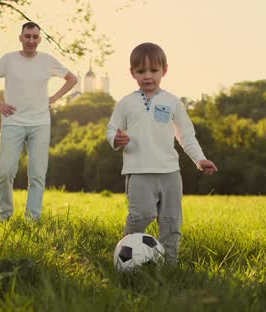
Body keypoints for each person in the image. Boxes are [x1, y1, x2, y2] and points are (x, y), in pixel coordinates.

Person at [106, 42, 218, 262]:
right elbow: (112, 129)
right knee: (141, 217)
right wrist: (115, 139)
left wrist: (200, 159)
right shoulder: (126, 103)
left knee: (171, 222)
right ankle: (127, 260)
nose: (148, 76)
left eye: (154, 70)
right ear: (132, 73)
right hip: (139, 172)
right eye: (141, 71)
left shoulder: (172, 102)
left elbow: (185, 135)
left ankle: (169, 266)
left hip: (170, 174)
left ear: (164, 70)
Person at [0, 22, 78, 222]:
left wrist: (53, 98)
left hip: (40, 123)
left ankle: (32, 219)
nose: (31, 41)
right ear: (21, 38)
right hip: (12, 122)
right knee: (6, 171)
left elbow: (72, 79)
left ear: (39, 39)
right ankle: (4, 215)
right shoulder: (9, 60)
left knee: (37, 174)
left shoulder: (47, 61)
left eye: (35, 37)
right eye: (28, 36)